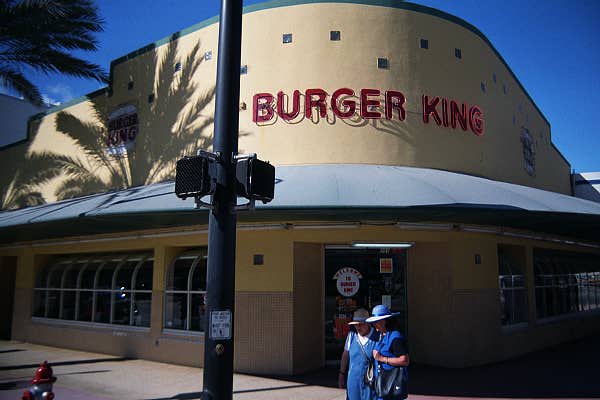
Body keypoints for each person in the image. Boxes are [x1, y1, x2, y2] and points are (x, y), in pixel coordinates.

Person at [366, 304, 409, 400]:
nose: (373, 325)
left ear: (384, 321)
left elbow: (404, 360)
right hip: (382, 384)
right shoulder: (382, 335)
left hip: (391, 385)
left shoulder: (395, 337)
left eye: (376, 322)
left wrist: (382, 358)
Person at [338, 308, 380, 400]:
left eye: (361, 324)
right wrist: (341, 374)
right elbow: (345, 356)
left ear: (368, 323)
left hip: (371, 382)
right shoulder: (352, 336)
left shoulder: (377, 337)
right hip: (353, 380)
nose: (358, 327)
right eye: (356, 324)